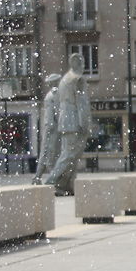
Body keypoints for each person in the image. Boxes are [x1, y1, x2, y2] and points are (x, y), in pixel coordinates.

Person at [44, 54, 91, 194]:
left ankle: (66, 184)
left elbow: (60, 102)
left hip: (65, 121)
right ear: (78, 64)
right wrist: (84, 122)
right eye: (82, 62)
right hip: (74, 121)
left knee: (70, 154)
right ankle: (52, 181)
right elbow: (81, 102)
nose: (84, 66)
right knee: (70, 155)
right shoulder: (77, 79)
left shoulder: (64, 79)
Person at [32, 73, 62, 184]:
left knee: (46, 154)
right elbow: (57, 113)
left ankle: (39, 178)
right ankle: (49, 178)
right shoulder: (55, 94)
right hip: (53, 129)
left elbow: (53, 115)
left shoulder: (52, 95)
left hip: (51, 128)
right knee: (50, 155)